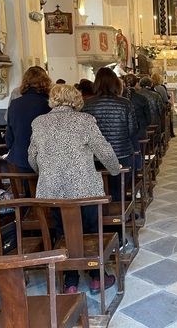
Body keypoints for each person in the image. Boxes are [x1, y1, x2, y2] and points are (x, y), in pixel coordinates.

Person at [28, 84, 121, 294]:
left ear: (53, 99)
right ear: (76, 99)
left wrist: (44, 172)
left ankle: (70, 282)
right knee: (90, 231)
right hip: (84, 188)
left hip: (52, 190)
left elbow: (32, 156)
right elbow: (104, 150)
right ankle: (97, 277)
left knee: (62, 232)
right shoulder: (85, 121)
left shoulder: (39, 122)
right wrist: (115, 170)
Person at [82, 68, 137, 202]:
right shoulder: (125, 104)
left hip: (95, 156)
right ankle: (120, 212)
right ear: (116, 83)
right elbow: (132, 130)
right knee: (119, 188)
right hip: (122, 154)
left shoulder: (86, 104)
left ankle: (102, 215)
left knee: (99, 188)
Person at [6, 66, 51, 173]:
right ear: (45, 82)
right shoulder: (48, 104)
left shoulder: (15, 103)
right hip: (43, 157)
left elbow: (9, 135)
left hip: (20, 156)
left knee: (25, 189)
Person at [123, 74, 151, 144]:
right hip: (140, 133)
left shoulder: (119, 99)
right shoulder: (142, 98)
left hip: (123, 136)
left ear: (124, 83)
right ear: (136, 84)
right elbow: (148, 120)